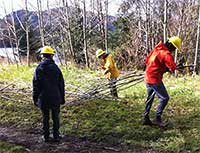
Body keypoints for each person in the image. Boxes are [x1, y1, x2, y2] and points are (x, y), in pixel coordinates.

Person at [143, 36, 182, 127]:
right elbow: (172, 67)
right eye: (174, 48)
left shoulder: (156, 49)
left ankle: (146, 118)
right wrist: (172, 68)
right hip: (154, 79)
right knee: (164, 98)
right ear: (171, 46)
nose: (174, 50)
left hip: (148, 76)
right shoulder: (166, 53)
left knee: (150, 98)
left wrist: (163, 68)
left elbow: (148, 60)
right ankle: (157, 118)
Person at [32, 46, 65, 142]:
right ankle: (56, 136)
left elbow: (36, 85)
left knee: (45, 117)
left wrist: (35, 98)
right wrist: (62, 98)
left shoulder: (39, 69)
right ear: (52, 56)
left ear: (42, 56)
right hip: (55, 97)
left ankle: (46, 137)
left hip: (43, 98)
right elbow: (61, 85)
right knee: (56, 117)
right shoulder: (56, 68)